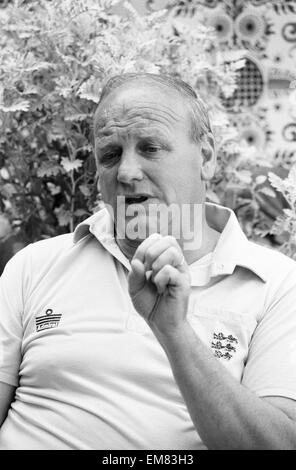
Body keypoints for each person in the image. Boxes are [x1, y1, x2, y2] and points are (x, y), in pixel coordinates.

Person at [0, 73, 296, 450]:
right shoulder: (35, 266)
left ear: (206, 157)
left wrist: (173, 331)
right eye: (110, 155)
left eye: (150, 147)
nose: (125, 172)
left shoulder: (278, 285)